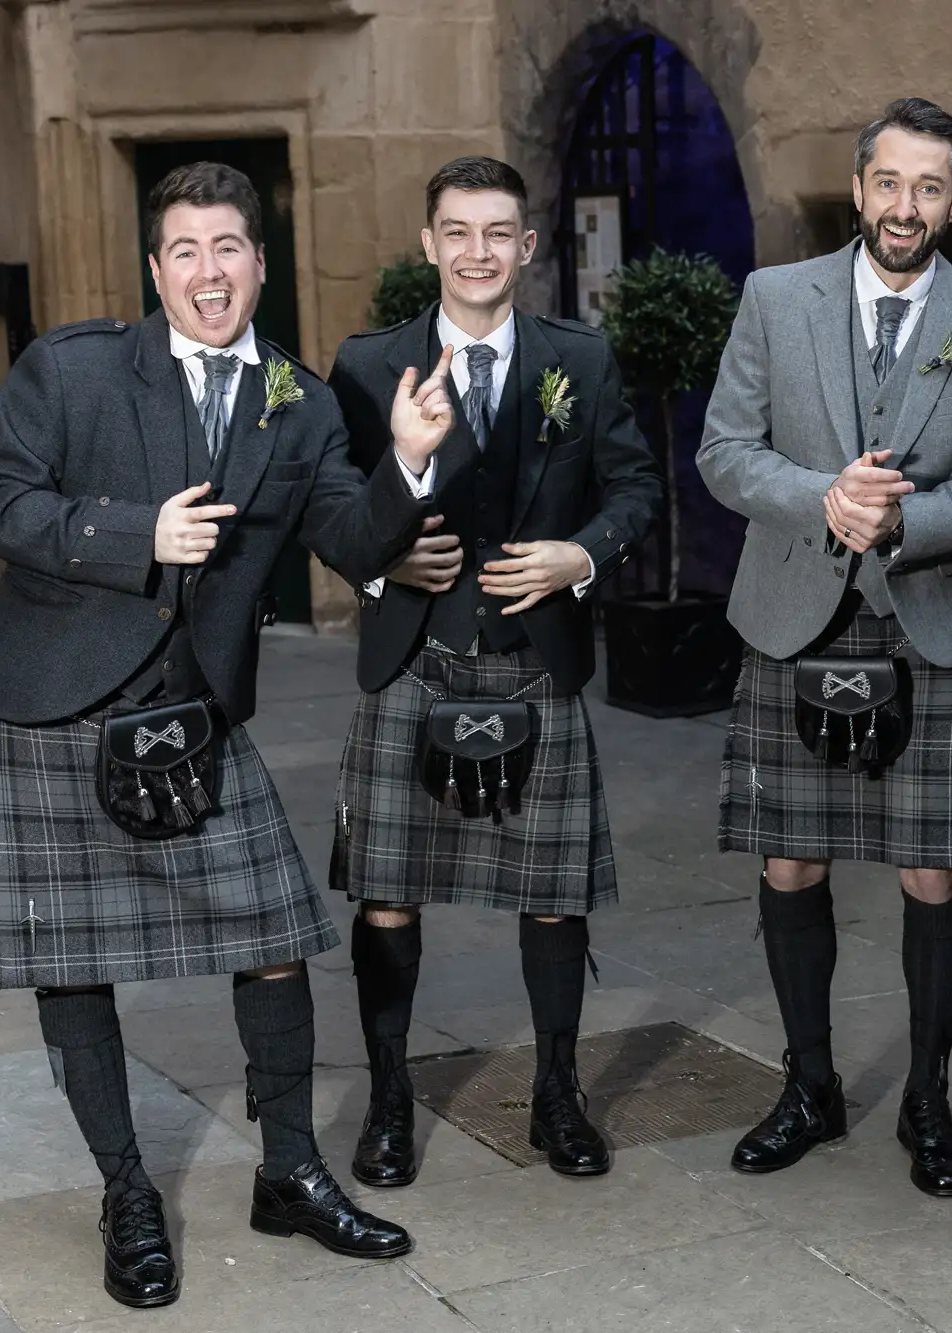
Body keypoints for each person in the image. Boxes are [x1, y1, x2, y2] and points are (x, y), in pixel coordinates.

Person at [0, 162, 449, 1308]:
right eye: (184, 251)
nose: (208, 272)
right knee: (73, 965)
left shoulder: (298, 397)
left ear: (260, 263)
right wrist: (137, 534)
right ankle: (126, 1192)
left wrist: (411, 461)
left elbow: (347, 533)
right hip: (58, 700)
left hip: (194, 712)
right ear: (154, 269)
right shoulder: (73, 370)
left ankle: (288, 1171)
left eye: (228, 248)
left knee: (276, 930)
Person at [695, 98, 952, 1197]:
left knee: (931, 870)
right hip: (792, 610)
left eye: (928, 188)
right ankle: (807, 1085)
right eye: (887, 183)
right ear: (856, 188)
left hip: (926, 622)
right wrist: (822, 499)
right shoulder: (772, 298)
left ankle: (927, 1101)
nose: (904, 207)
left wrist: (903, 519)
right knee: (789, 859)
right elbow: (723, 453)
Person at [322, 156, 662, 1186]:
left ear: (526, 246)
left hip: (533, 660)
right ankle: (388, 1100)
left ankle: (558, 1094)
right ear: (427, 244)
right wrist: (385, 570)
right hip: (413, 662)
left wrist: (582, 555)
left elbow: (635, 486)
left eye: (497, 232)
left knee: (554, 896)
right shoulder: (366, 364)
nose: (476, 251)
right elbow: (331, 519)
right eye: (455, 231)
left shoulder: (582, 359)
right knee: (386, 895)